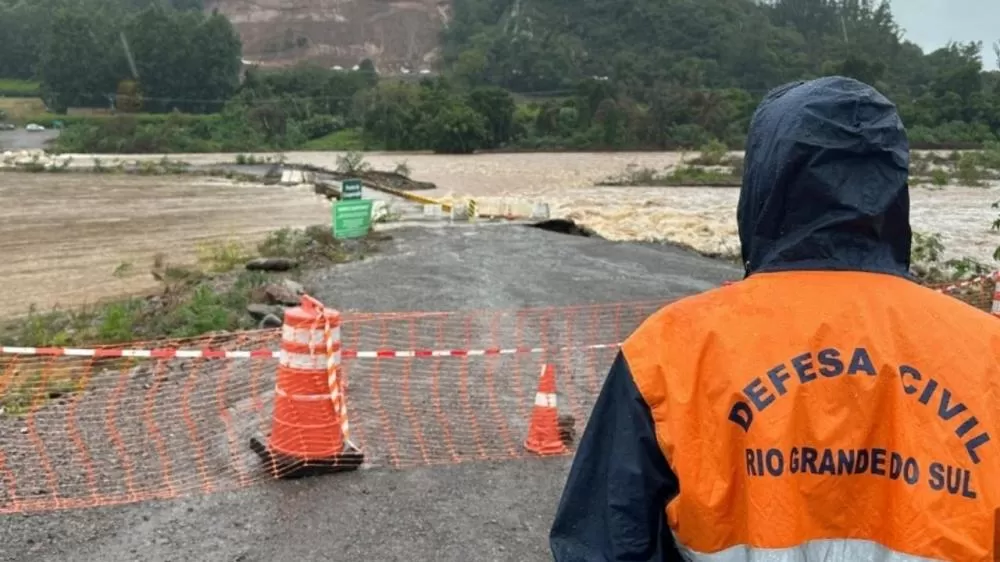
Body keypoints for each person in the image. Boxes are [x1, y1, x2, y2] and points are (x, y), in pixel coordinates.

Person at [549, 76, 1000, 561]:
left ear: (765, 184)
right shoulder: (987, 352)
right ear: (894, 190)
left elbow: (604, 544)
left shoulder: (671, 351)